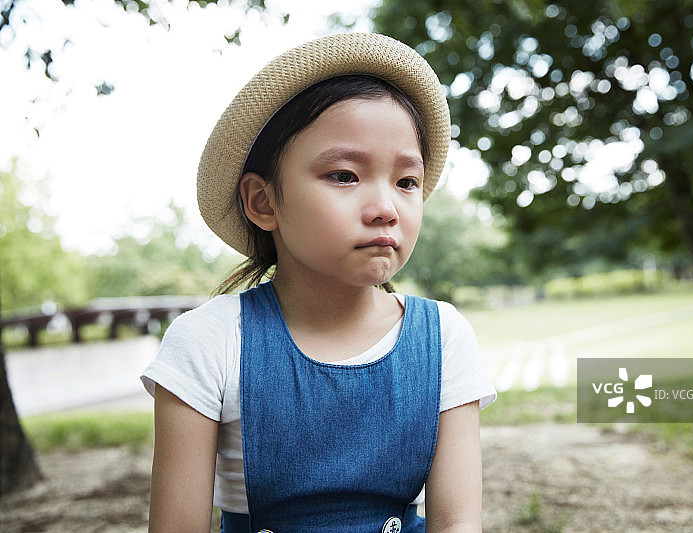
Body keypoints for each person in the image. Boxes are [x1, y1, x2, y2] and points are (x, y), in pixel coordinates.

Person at [141, 32, 496, 533]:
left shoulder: (444, 337)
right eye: (345, 176)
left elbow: (459, 524)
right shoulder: (209, 341)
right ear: (263, 202)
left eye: (406, 182)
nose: (386, 209)